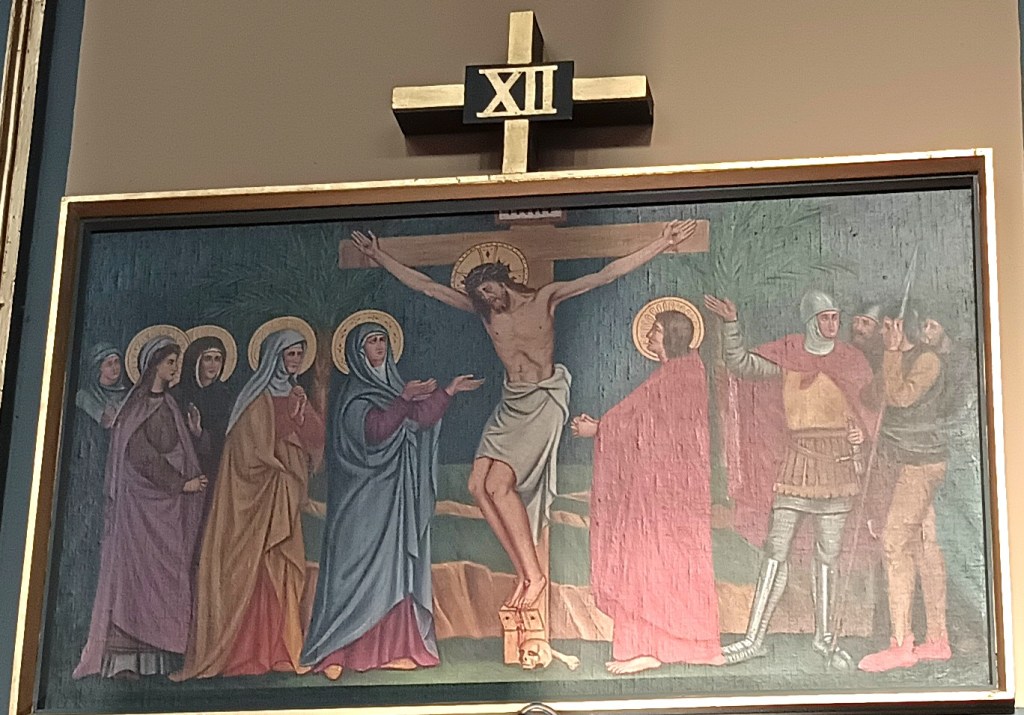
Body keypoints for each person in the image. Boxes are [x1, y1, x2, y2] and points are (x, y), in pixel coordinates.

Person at [350, 219, 697, 609]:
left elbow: (605, 275)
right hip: (511, 402)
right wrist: (379, 256)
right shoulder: (484, 312)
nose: (487, 297)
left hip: (543, 400)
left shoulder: (545, 298)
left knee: (499, 485)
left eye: (489, 288)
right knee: (477, 485)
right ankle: (525, 573)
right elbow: (427, 286)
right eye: (480, 293)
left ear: (502, 280)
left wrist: (660, 243)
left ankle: (536, 576)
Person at [300, 321, 481, 680]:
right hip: (360, 502)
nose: (380, 347)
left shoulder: (395, 389)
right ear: (357, 352)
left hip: (395, 499)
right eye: (372, 342)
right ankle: (338, 649)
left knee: (395, 573)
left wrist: (448, 391)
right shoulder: (354, 396)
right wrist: (404, 400)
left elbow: (420, 420)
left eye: (383, 340)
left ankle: (397, 648)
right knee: (352, 575)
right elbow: (374, 432)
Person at [704, 290, 874, 667]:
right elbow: (741, 364)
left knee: (828, 555)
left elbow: (869, 405)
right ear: (810, 321)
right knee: (775, 550)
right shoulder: (789, 354)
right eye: (825, 318)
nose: (832, 324)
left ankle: (825, 640)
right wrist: (731, 324)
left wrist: (860, 433)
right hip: (798, 462)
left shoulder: (850, 360)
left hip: (837, 465)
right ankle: (754, 639)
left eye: (835, 317)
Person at [571, 309, 723, 674]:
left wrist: (600, 430)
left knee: (652, 560)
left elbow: (651, 426)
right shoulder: (676, 373)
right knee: (653, 560)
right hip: (661, 486)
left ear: (671, 335)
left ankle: (658, 647)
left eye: (655, 330)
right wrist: (604, 426)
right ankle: (660, 647)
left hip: (668, 490)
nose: (650, 336)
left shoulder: (682, 375)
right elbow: (642, 419)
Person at [174, 328, 325, 679]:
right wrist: (281, 447)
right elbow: (245, 451)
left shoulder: (296, 395)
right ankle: (246, 650)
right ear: (274, 357)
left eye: (299, 354)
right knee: (253, 568)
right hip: (257, 499)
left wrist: (302, 415)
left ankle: (283, 648)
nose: (295, 360)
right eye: (290, 354)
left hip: (284, 494)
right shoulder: (256, 399)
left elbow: (317, 438)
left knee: (284, 568)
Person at [74, 336, 208, 679]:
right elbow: (140, 455)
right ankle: (125, 662)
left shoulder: (169, 403)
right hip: (142, 508)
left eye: (177, 362)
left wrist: (195, 436)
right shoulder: (136, 407)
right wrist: (181, 484)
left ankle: (160, 657)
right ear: (154, 366)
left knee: (167, 578)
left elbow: (178, 447)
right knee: (138, 577)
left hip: (168, 509)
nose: (176, 368)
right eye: (170, 363)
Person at [858, 309, 953, 672]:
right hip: (905, 461)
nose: (883, 332)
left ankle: (900, 644)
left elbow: (900, 397)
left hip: (920, 463)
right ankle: (937, 641)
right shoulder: (897, 358)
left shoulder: (927, 360)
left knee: (895, 544)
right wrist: (887, 363)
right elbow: (872, 396)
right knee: (923, 545)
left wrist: (891, 353)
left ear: (902, 326)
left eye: (888, 326)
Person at [171, 334, 235, 528]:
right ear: (195, 361)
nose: (213, 365)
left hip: (213, 471)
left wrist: (200, 433)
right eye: (208, 358)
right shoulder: (176, 395)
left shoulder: (225, 396)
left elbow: (228, 438)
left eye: (218, 359)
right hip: (182, 471)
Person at [851, 302, 884, 371]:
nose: (858, 327)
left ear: (879, 328)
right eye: (855, 321)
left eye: (865, 322)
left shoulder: (885, 358)